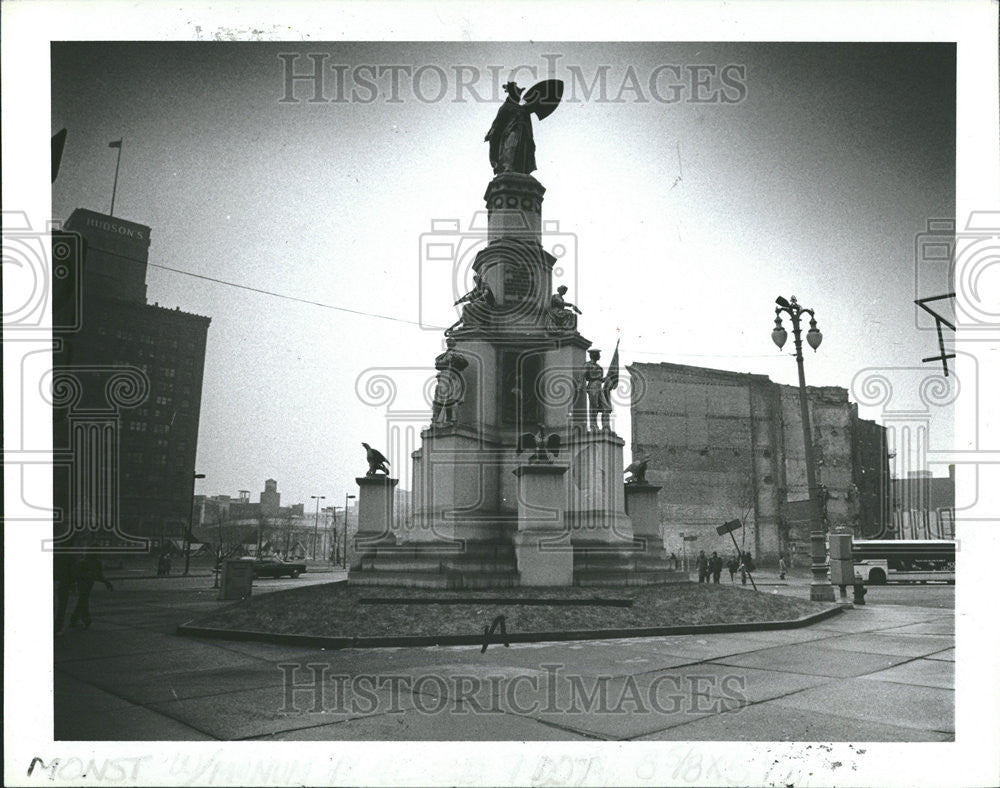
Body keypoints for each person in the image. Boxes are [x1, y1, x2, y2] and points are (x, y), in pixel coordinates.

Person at [485, 82, 536, 175]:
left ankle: (521, 169)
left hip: (523, 134)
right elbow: (498, 122)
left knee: (522, 150)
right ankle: (507, 166)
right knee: (510, 147)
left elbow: (528, 124)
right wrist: (492, 132)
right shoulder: (506, 107)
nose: (518, 98)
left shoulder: (523, 109)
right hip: (510, 132)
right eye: (516, 95)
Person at [70, 550, 114, 629]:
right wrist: (106, 582)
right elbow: (99, 575)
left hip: (84, 583)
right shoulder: (94, 562)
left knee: (83, 600)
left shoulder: (84, 562)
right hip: (86, 583)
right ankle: (83, 619)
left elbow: (75, 574)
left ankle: (77, 619)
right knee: (83, 600)